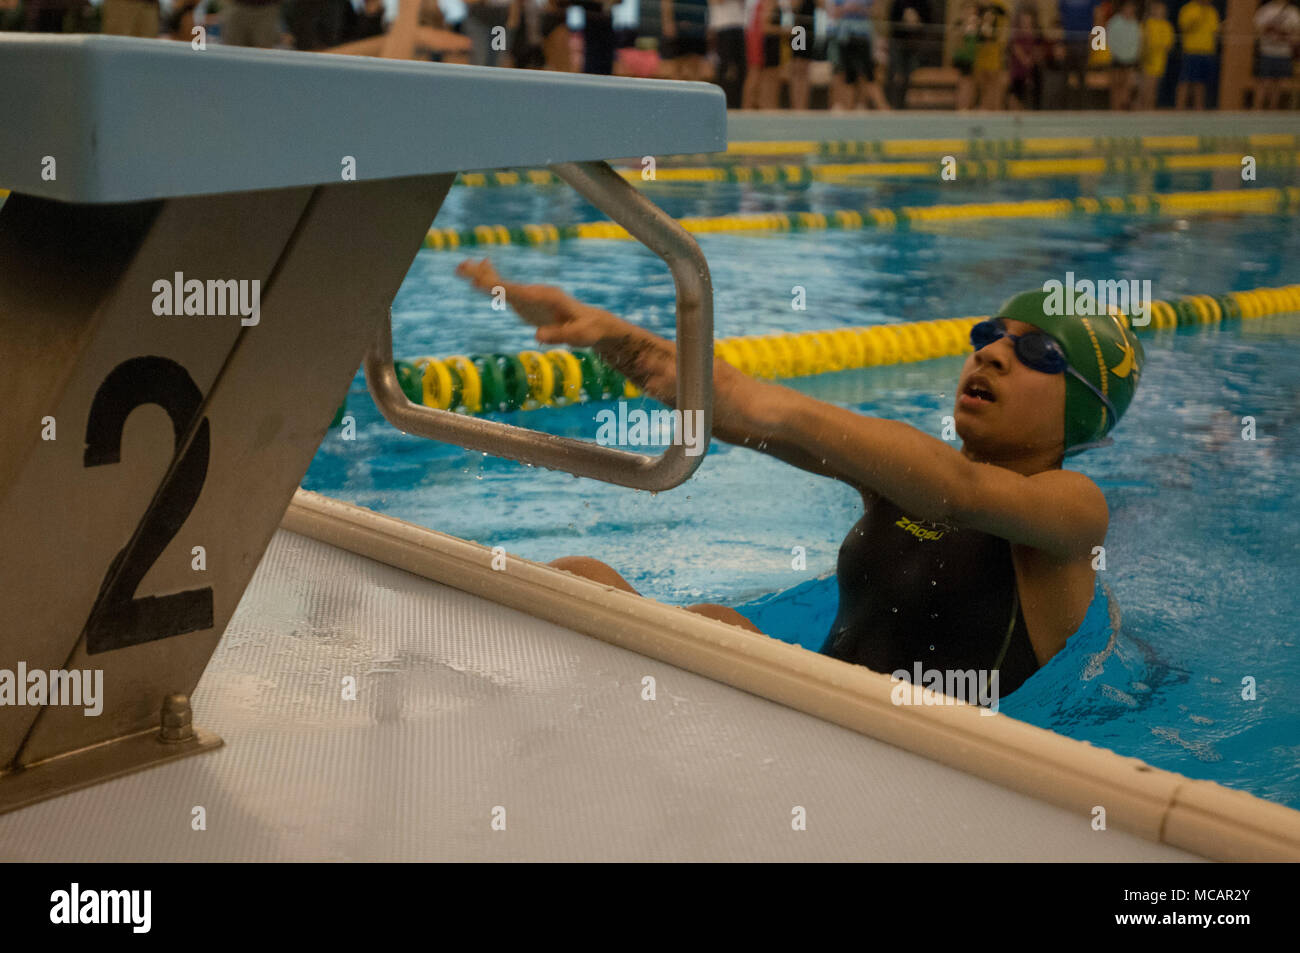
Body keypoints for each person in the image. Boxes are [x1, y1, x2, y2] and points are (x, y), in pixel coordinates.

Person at [453, 258, 1146, 700]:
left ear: (1083, 410)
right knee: (583, 576)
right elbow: (728, 408)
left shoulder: (1072, 513)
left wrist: (770, 400)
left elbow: (959, 494)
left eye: (1036, 351)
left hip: (919, 762)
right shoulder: (902, 477)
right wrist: (605, 333)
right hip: (812, 711)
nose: (993, 353)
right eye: (990, 334)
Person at [829, 0, 890, 108]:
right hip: (845, 37)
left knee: (868, 74)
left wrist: (860, 9)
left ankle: (883, 109)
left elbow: (877, 12)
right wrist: (846, 9)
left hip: (863, 37)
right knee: (848, 76)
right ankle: (848, 109)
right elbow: (833, 13)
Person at [1253, 0, 1300, 109]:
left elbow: (1296, 32)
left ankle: (1272, 108)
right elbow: (1257, 29)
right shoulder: (1266, 9)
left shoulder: (1292, 12)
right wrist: (1270, 32)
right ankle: (1257, 108)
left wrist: (1284, 34)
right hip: (1267, 52)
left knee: (1279, 83)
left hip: (1284, 53)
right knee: (1264, 82)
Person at [1175, 0, 1219, 109]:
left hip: (1207, 52)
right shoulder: (1189, 9)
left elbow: (1215, 30)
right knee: (1185, 81)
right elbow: (1184, 27)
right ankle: (1179, 109)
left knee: (1201, 83)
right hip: (1192, 52)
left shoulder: (1212, 11)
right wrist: (1198, 16)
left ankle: (1198, 109)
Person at [887, 0, 931, 108]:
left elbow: (928, 19)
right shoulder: (898, 2)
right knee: (897, 74)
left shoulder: (923, 3)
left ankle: (901, 103)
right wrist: (904, 21)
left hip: (914, 43)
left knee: (908, 75)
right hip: (898, 41)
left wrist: (918, 21)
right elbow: (892, 19)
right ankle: (893, 104)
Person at [742, 0, 784, 107]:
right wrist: (787, 31)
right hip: (761, 42)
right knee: (757, 75)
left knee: (763, 77)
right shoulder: (768, 3)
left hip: (763, 41)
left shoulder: (770, 3)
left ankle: (763, 105)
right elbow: (765, 27)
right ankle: (751, 106)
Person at [972, 0, 1009, 109]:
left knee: (994, 84)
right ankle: (985, 107)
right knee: (982, 86)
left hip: (994, 53)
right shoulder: (978, 8)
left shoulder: (999, 8)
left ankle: (994, 109)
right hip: (980, 52)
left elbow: (1002, 32)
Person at [661, 0, 712, 80]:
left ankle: (694, 90)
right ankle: (676, 90)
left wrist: (710, 25)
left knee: (696, 63)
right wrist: (668, 22)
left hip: (699, 26)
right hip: (680, 25)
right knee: (678, 64)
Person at [711, 0, 749, 106]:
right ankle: (721, 102)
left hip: (740, 26)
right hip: (723, 26)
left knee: (741, 68)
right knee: (724, 67)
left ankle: (737, 103)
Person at [1057, 0, 1094, 107]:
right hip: (1067, 41)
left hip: (1084, 41)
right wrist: (1060, 43)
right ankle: (1064, 109)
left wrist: (1095, 41)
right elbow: (1059, 18)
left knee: (1082, 79)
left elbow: (1097, 15)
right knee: (1064, 79)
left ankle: (1082, 109)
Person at [1137, 0, 1174, 109]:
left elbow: (1168, 45)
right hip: (1147, 61)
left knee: (1153, 89)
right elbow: (1141, 42)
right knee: (1144, 88)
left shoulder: (1166, 26)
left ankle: (1149, 109)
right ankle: (1141, 109)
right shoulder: (1147, 24)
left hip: (1159, 62)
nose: (1159, 12)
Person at [788, 0, 823, 108]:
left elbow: (822, 6)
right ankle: (796, 104)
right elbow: (793, 7)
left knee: (805, 69)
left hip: (809, 29)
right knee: (797, 68)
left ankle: (803, 105)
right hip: (799, 29)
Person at [1007, 5, 1043, 109]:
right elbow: (1016, 50)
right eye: (1024, 19)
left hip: (1033, 71)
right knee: (1016, 96)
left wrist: (1033, 60)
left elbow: (1039, 51)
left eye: (1028, 19)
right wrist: (1026, 60)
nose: (1026, 22)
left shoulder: (1037, 34)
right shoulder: (1016, 35)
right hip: (1018, 72)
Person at [1106, 0, 1140, 109]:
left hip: (1130, 58)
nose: (1130, 10)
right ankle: (1115, 108)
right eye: (1128, 7)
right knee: (1116, 85)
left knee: (1127, 85)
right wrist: (1117, 54)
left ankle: (1123, 107)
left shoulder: (1135, 23)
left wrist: (1133, 55)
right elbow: (1110, 40)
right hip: (1117, 58)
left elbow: (1137, 41)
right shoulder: (1114, 22)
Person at [952, 0, 981, 108]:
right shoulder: (960, 24)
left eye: (973, 10)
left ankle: (969, 106)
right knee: (964, 83)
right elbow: (957, 43)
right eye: (968, 9)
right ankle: (961, 107)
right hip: (963, 59)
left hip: (974, 59)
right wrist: (965, 27)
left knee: (972, 85)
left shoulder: (977, 25)